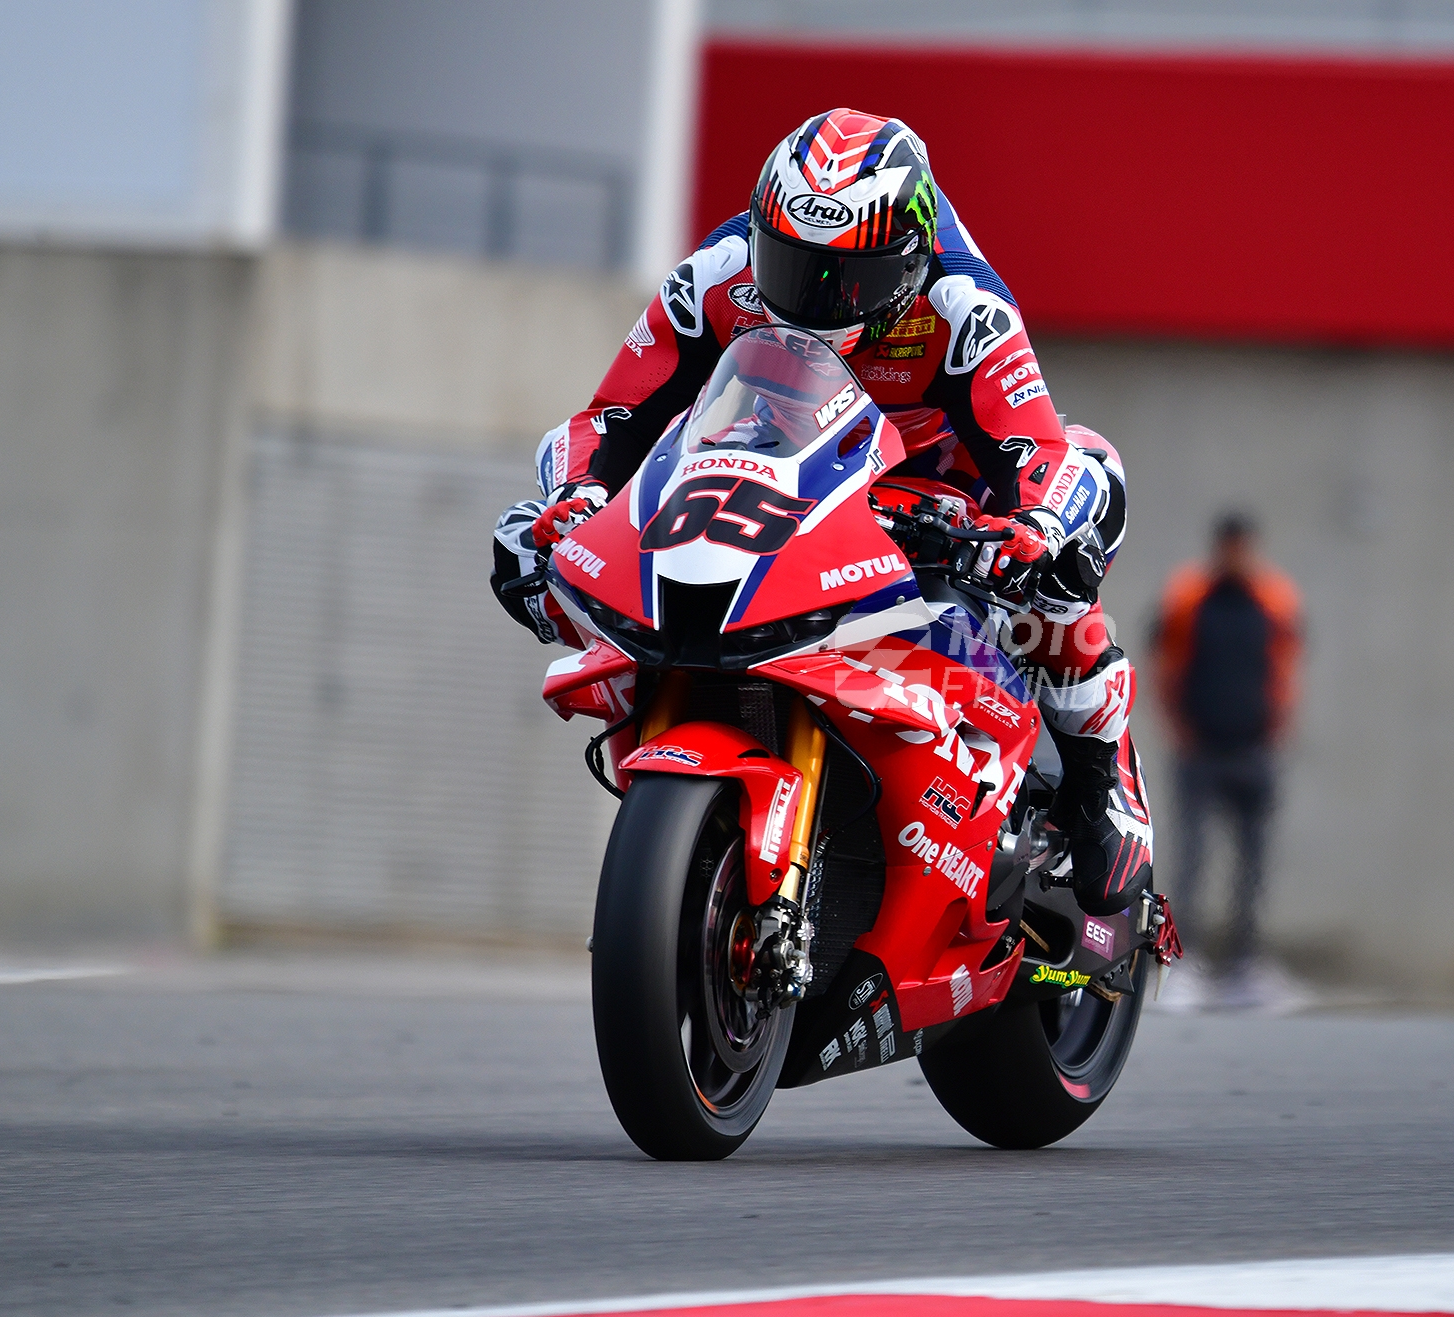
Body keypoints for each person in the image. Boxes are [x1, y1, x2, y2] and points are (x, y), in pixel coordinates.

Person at [490, 108, 1149, 918]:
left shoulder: (964, 304)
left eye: (849, 278)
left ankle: (1100, 780)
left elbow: (1035, 448)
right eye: (793, 266)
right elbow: (613, 418)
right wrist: (575, 500)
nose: (815, 297)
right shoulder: (716, 275)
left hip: (940, 484)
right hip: (784, 468)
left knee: (1073, 533)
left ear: (908, 261)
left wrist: (1033, 531)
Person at [1151, 512, 1303, 1001]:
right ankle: (1185, 963)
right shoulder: (1188, 596)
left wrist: (1278, 725)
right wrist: (1178, 728)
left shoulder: (1275, 598)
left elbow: (1285, 663)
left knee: (1253, 865)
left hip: (1254, 749)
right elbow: (1165, 661)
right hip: (1200, 750)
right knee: (1192, 861)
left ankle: (1245, 963)